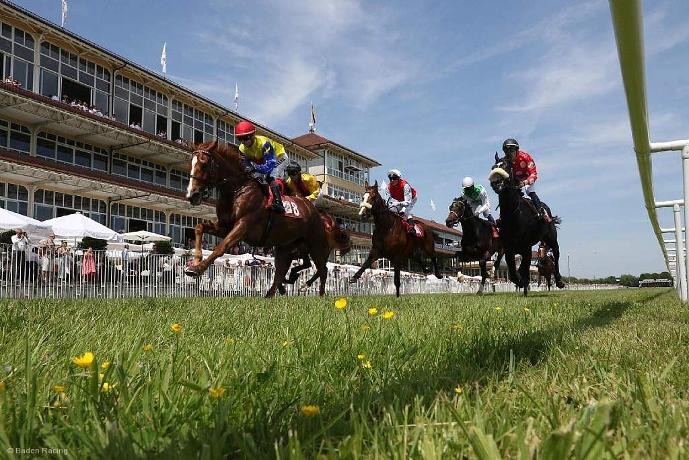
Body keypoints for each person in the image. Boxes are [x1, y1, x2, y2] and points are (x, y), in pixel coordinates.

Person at [235, 120, 289, 213]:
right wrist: (252, 170)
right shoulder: (242, 148)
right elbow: (246, 164)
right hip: (262, 160)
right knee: (255, 177)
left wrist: (255, 169)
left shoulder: (264, 143)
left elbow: (269, 166)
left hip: (279, 157)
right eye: (240, 139)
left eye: (245, 138)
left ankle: (279, 203)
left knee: (271, 176)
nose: (243, 142)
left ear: (253, 135)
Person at [501, 138, 551, 223]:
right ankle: (502, 217)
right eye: (506, 152)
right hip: (515, 179)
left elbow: (534, 174)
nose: (509, 154)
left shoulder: (525, 157)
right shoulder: (505, 160)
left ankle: (541, 212)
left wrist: (524, 183)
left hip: (527, 177)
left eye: (511, 151)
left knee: (529, 191)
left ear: (517, 150)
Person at [385, 169, 417, 235]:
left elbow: (407, 202)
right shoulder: (388, 187)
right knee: (391, 210)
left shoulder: (405, 186)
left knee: (405, 211)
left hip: (411, 198)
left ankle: (412, 227)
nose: (392, 180)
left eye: (394, 178)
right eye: (390, 178)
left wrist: (397, 203)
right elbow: (387, 200)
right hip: (399, 200)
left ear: (399, 179)